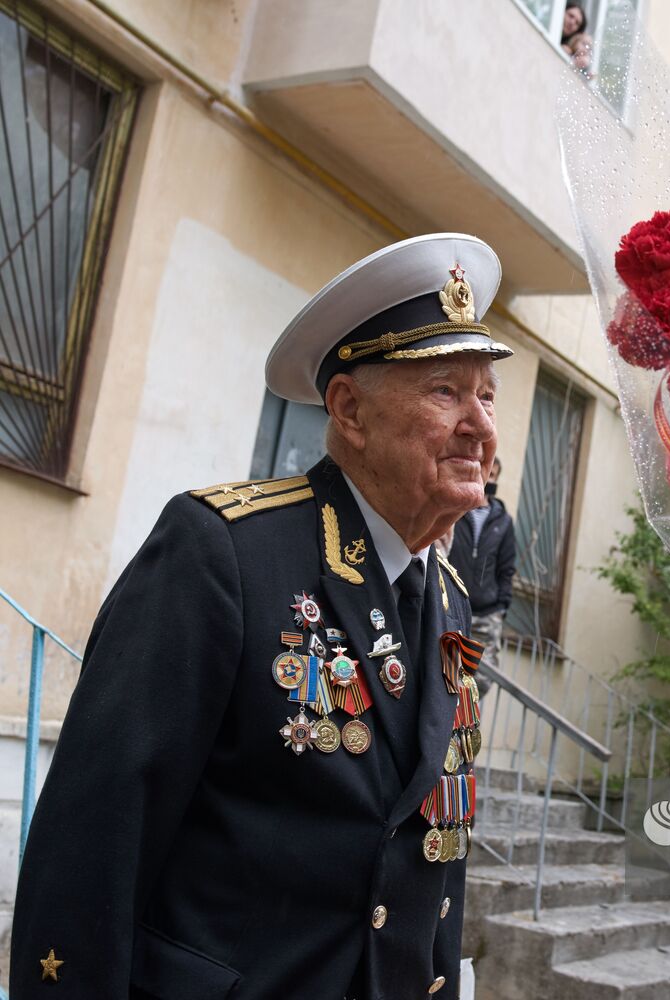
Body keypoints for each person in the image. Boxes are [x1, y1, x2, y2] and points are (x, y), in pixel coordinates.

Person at [9, 233, 513, 999]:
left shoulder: (447, 592)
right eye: (446, 391)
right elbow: (96, 839)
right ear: (349, 410)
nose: (480, 424)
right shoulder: (223, 552)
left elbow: (435, 844)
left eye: (486, 394)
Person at [449, 456, 517, 693]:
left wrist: (501, 608)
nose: (491, 479)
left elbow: (507, 569)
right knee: (445, 674)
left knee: (482, 682)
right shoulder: (455, 510)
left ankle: (465, 726)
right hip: (452, 607)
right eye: (488, 473)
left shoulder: (504, 522)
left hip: (487, 615)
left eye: (496, 475)